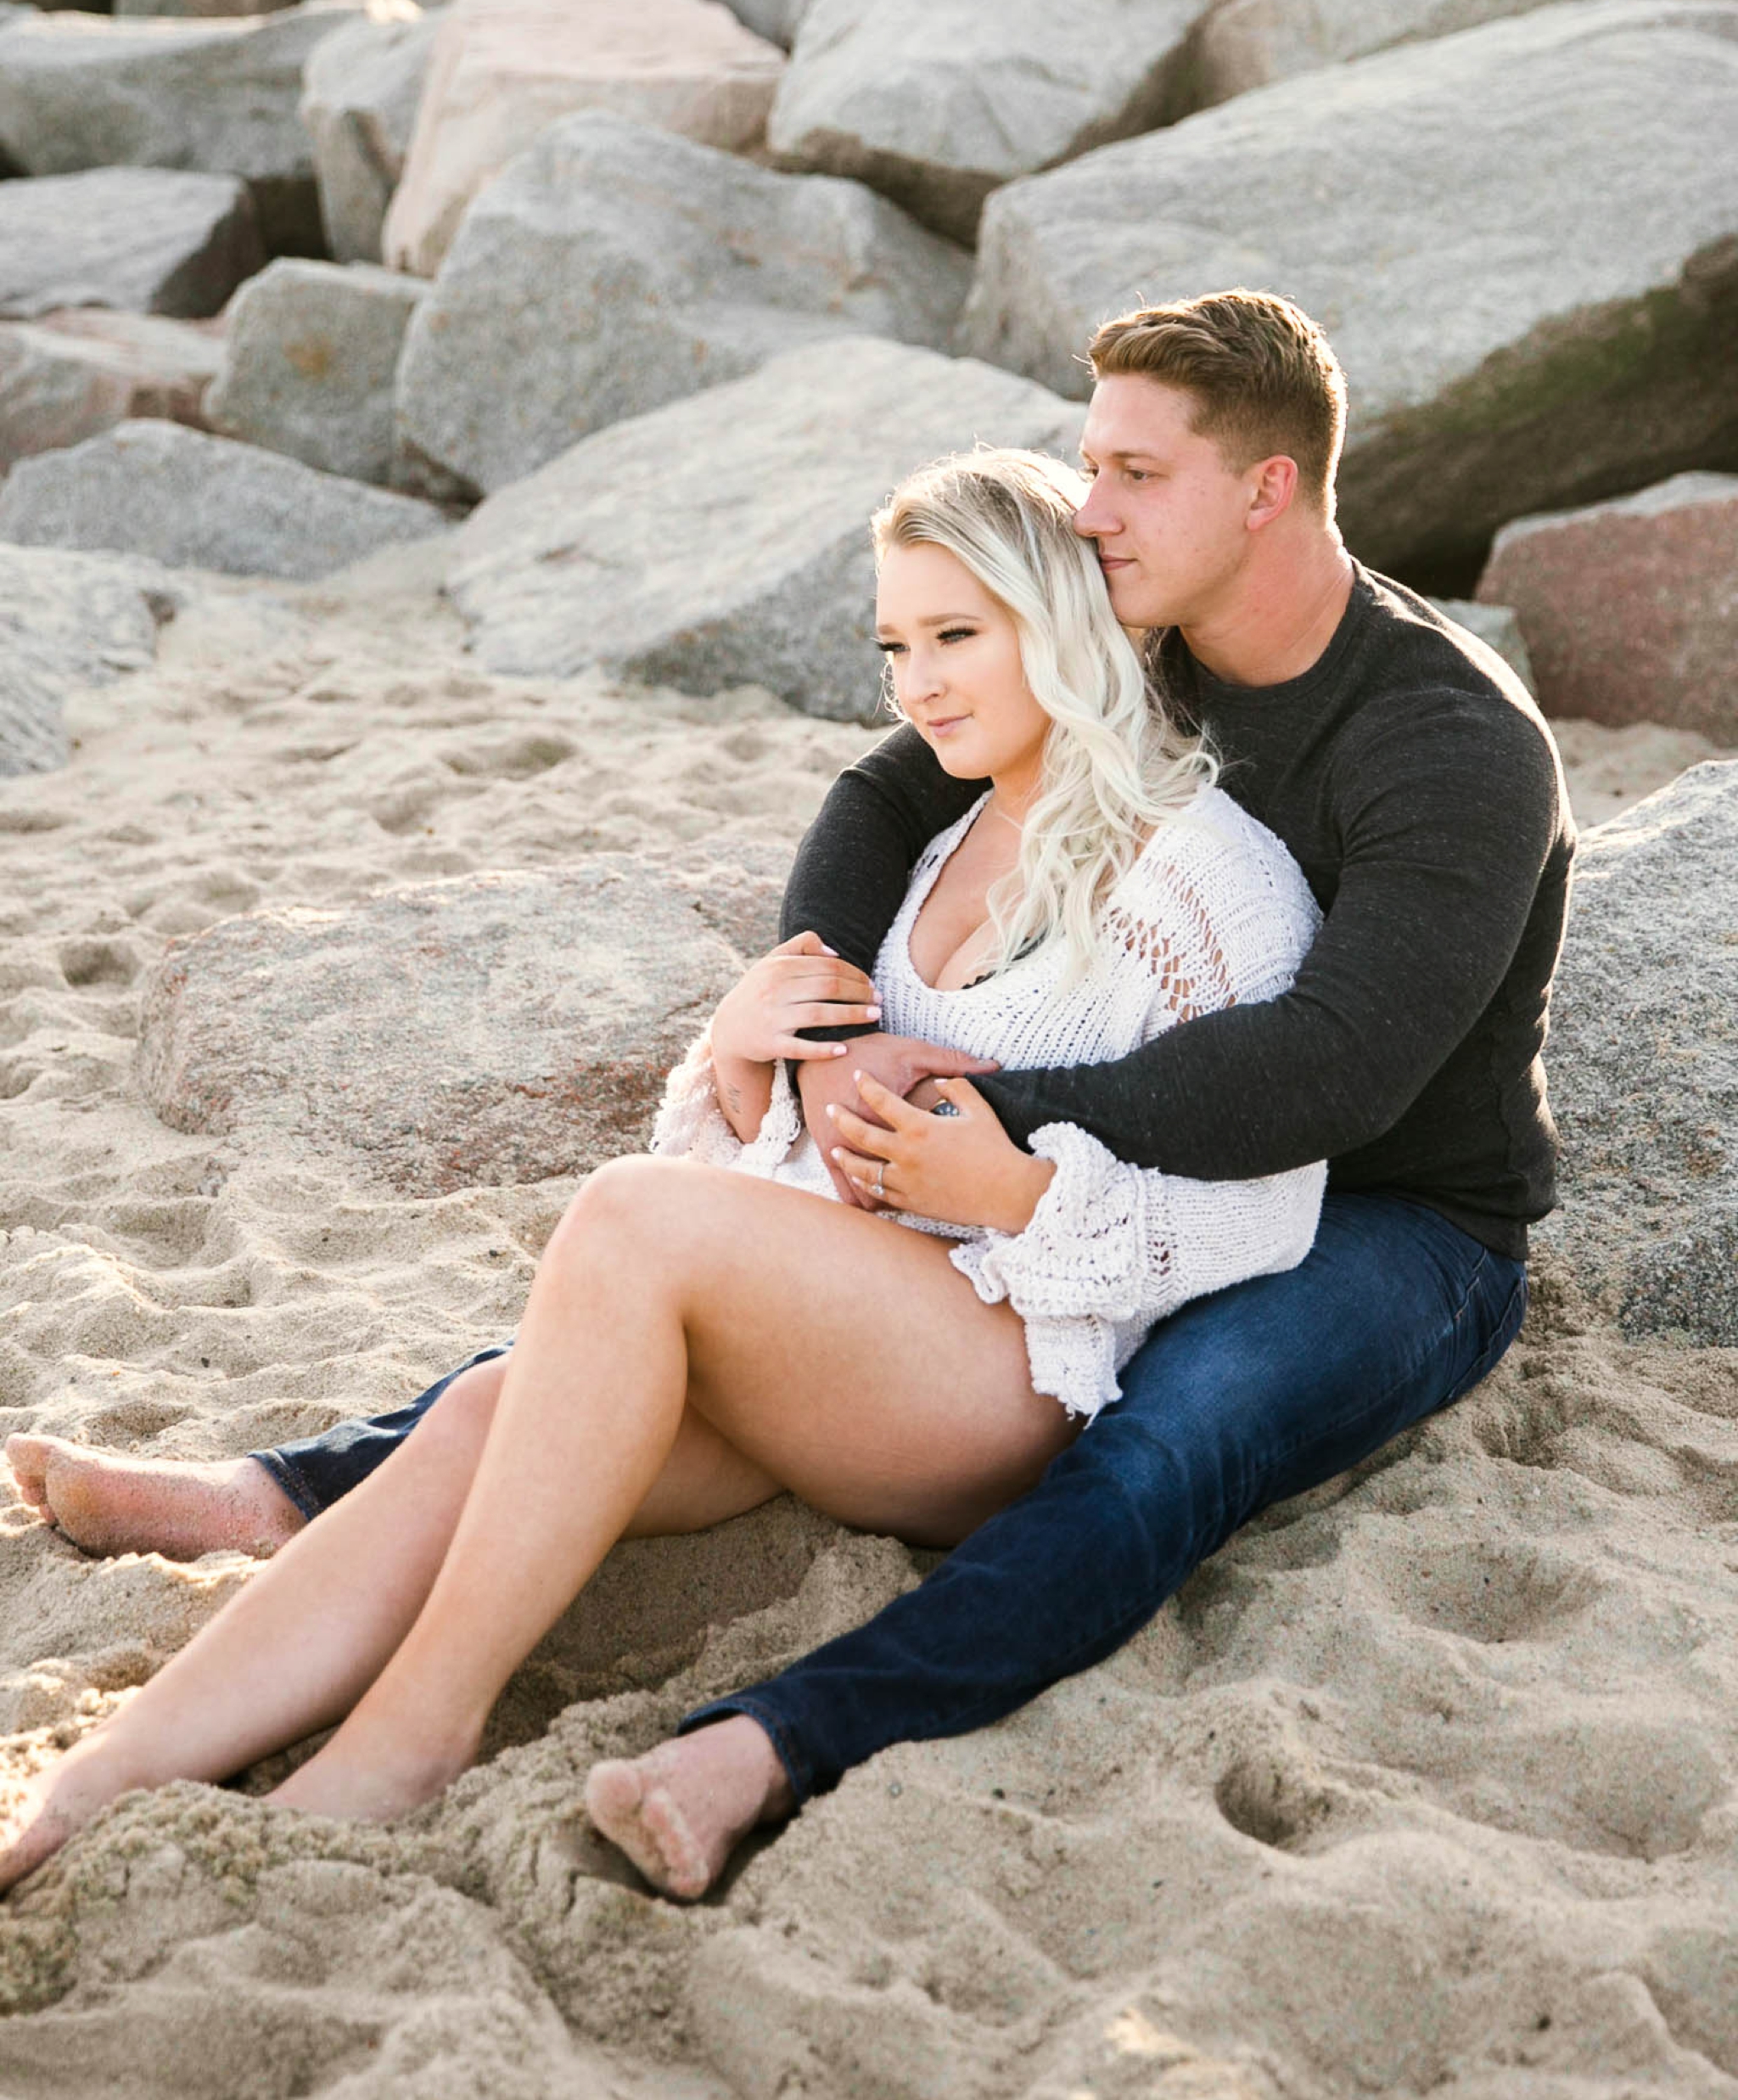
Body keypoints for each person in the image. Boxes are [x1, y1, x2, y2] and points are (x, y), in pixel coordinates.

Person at [12, 289, 1566, 1898]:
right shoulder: (1136, 637)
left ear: (1270, 490)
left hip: (1385, 1201)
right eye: (1087, 465)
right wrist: (812, 1010)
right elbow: (895, 782)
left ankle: (721, 1737)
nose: (1091, 510)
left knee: (1164, 1450)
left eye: (1135, 475)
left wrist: (994, 1122)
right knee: (523, 1386)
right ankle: (121, 1740)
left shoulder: (1442, 742)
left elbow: (1326, 1078)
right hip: (1013, 1218)